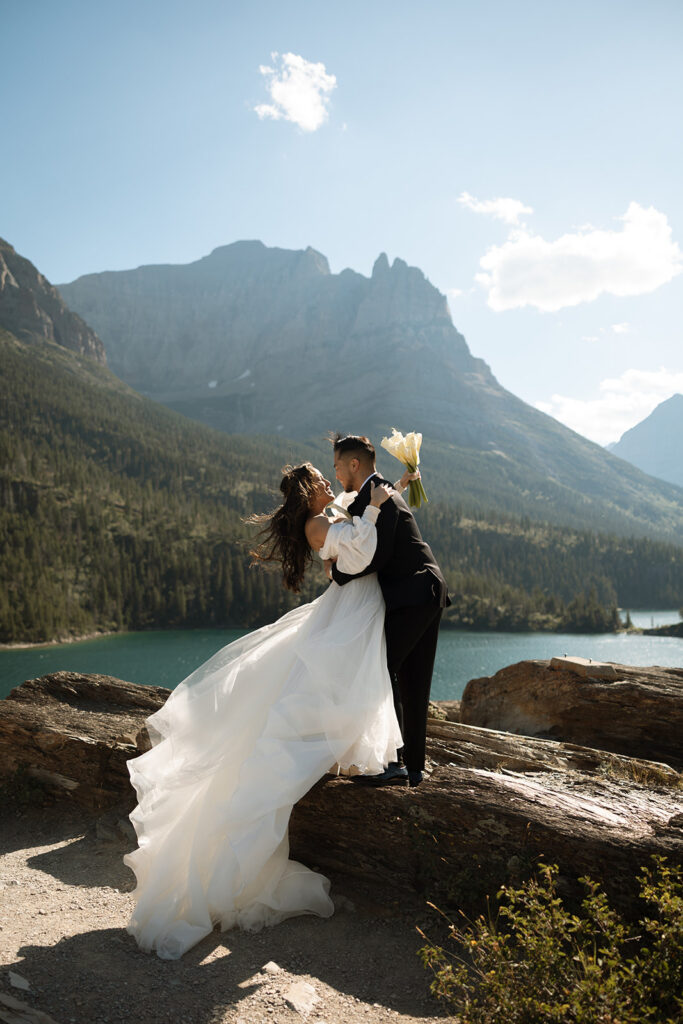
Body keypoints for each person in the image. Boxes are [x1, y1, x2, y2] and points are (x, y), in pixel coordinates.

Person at [123, 462, 407, 960]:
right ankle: (231, 869)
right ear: (309, 490)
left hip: (350, 612)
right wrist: (374, 510)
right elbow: (357, 554)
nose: (329, 483)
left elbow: (361, 509)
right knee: (300, 709)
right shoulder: (317, 523)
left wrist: (399, 485)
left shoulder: (331, 512)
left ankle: (337, 753)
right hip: (347, 610)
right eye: (322, 479)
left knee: (324, 693)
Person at [329, 434, 449, 788]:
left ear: (354, 464)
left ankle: (395, 764)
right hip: (425, 590)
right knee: (413, 678)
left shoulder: (377, 496)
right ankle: (413, 768)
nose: (335, 474)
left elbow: (375, 556)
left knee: (382, 670)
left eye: (337, 466)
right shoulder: (378, 491)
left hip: (415, 594)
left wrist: (335, 572)